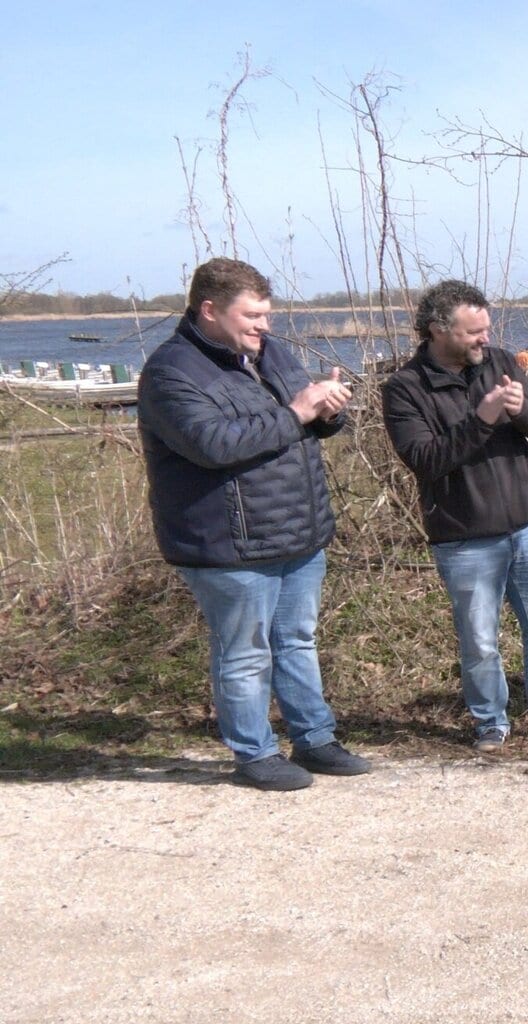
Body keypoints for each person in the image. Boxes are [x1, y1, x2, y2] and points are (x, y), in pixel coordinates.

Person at [137, 257, 370, 791]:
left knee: (297, 640)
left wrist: (327, 411)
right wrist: (298, 412)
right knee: (244, 653)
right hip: (227, 543)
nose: (265, 325)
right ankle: (254, 753)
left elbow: (304, 422)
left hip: (298, 532)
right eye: (254, 315)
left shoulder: (269, 352)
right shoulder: (171, 373)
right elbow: (214, 445)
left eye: (267, 314)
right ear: (210, 309)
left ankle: (315, 739)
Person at [381, 280, 528, 750]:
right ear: (439, 329)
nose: (484, 339)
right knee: (479, 641)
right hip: (465, 538)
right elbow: (425, 459)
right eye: (474, 331)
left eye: (487, 328)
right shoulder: (405, 388)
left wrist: (520, 411)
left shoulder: (498, 362)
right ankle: (490, 724)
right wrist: (484, 418)